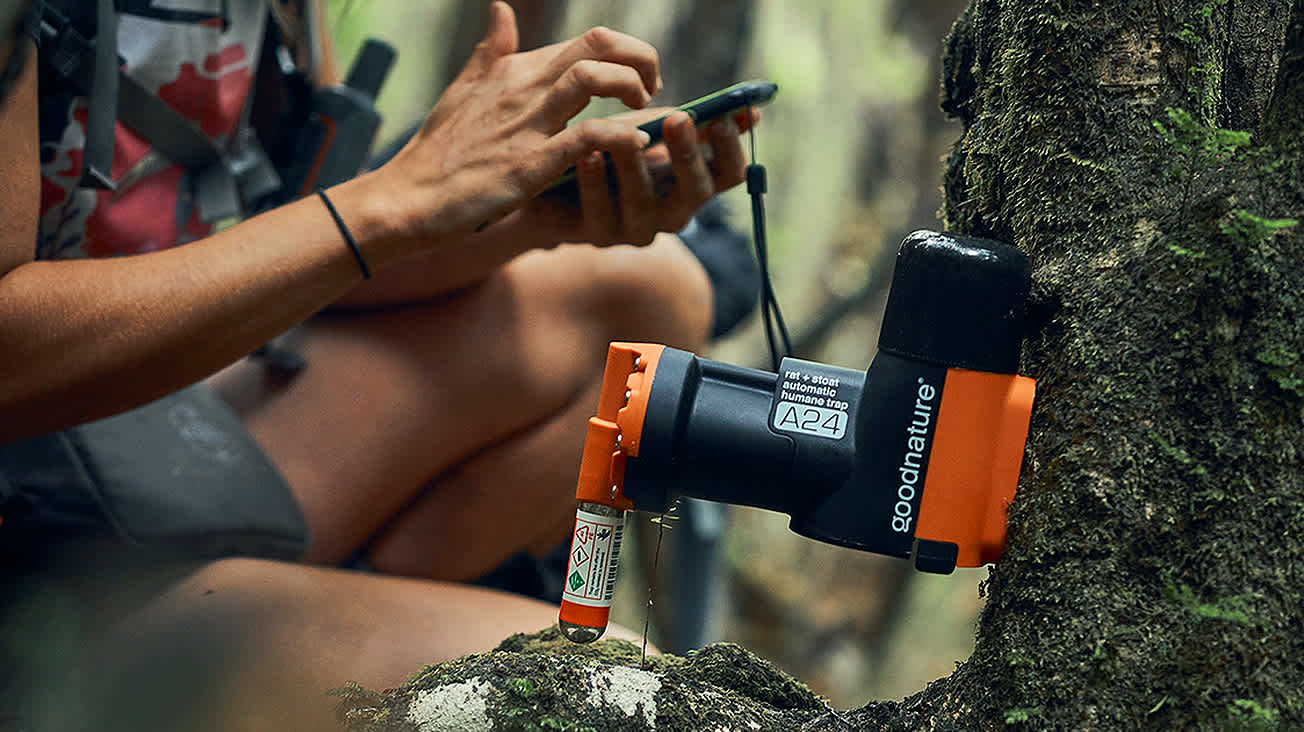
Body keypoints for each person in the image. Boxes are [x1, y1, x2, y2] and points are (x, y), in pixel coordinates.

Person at [0, 1, 754, 729]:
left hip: (128, 446)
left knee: (646, 295)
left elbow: (304, 270)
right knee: (612, 702)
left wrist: (528, 212)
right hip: (31, 541)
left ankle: (328, 648)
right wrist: (382, 205)